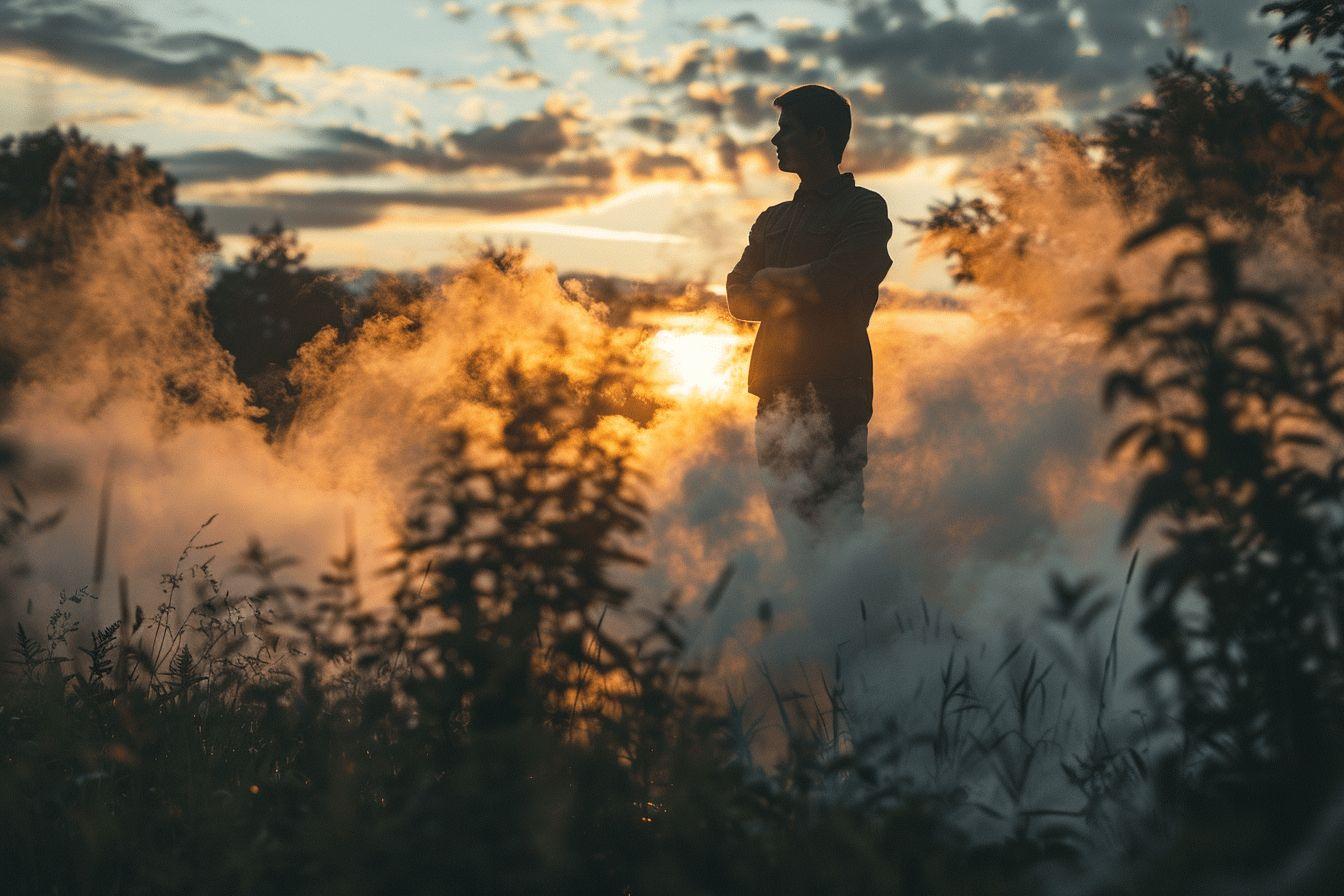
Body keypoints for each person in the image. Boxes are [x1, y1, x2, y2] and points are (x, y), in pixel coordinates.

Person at [725, 84, 893, 549]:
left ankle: (857, 618)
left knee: (837, 532)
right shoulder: (771, 220)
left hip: (836, 392)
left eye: (787, 131)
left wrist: (774, 278)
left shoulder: (865, 208)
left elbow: (835, 278)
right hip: (774, 395)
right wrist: (799, 287)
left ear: (820, 136)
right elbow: (739, 297)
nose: (776, 142)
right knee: (793, 534)